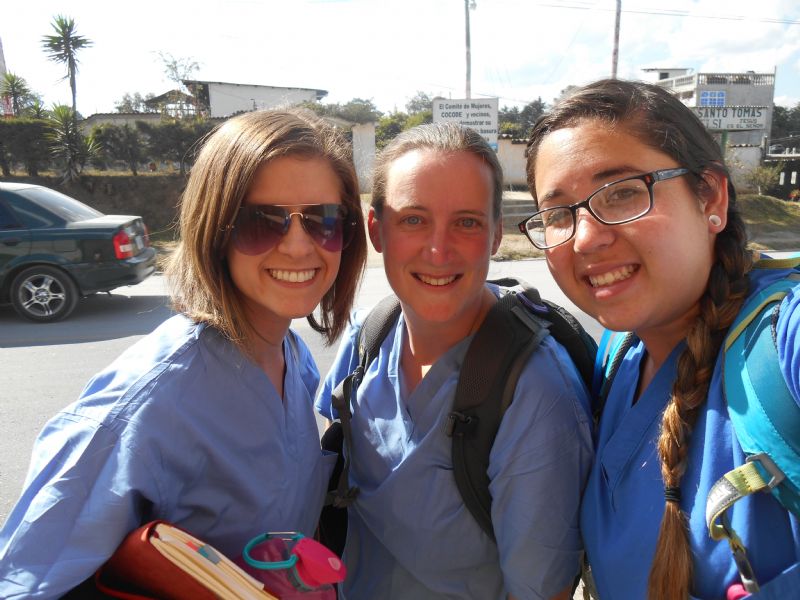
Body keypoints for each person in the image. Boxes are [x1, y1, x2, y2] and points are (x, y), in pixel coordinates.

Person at [0, 108, 367, 598]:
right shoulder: (146, 405)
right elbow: (25, 581)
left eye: (324, 220)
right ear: (214, 229)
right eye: (263, 221)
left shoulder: (291, 356)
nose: (300, 247)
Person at [521, 78, 800, 599]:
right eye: (559, 214)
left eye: (623, 192)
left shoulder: (782, 344)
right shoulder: (618, 354)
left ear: (711, 196)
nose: (586, 239)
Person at [316, 122, 593, 599]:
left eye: (467, 222)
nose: (438, 250)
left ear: (496, 235)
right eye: (413, 220)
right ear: (376, 230)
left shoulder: (533, 391)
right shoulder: (369, 336)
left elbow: (541, 591)